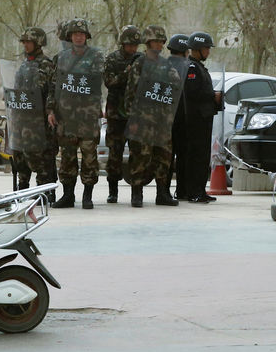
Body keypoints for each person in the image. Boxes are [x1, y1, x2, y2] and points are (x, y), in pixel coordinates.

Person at [48, 18, 104, 209]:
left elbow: (97, 81)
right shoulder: (61, 58)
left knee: (89, 156)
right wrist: (51, 109)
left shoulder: (96, 56)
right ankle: (68, 195)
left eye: (81, 34)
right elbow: (54, 85)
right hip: (66, 116)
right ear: (70, 37)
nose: (78, 37)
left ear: (86, 37)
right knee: (67, 157)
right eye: (75, 34)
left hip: (87, 116)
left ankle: (87, 195)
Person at [123, 25, 181, 208]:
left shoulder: (166, 64)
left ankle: (162, 193)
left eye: (161, 42)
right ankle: (136, 193)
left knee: (163, 158)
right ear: (147, 43)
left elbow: (175, 86)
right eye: (155, 41)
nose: (158, 45)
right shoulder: (139, 64)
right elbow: (130, 93)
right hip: (142, 121)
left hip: (162, 121)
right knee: (140, 157)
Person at [7, 27, 57, 202]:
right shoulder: (23, 65)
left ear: (38, 43)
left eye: (29, 42)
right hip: (21, 119)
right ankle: (22, 192)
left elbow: (52, 90)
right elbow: (16, 88)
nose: (26, 45)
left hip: (38, 121)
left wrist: (50, 111)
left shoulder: (47, 65)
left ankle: (44, 193)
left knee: (39, 157)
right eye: (24, 42)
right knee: (20, 156)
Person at [102, 25, 142, 203]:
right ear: (122, 44)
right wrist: (128, 73)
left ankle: (136, 192)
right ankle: (113, 190)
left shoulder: (142, 59)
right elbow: (109, 82)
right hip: (116, 114)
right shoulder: (112, 59)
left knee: (137, 153)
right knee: (114, 153)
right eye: (129, 45)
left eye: (135, 45)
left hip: (135, 114)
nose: (132, 49)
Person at [184, 31, 223, 203]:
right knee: (196, 157)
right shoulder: (191, 67)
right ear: (198, 49)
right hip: (196, 120)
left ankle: (200, 189)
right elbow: (192, 92)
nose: (208, 52)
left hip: (204, 118)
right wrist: (212, 96)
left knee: (202, 156)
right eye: (206, 48)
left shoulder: (199, 67)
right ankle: (194, 191)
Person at [166, 34, 190, 200]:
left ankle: (164, 190)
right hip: (182, 118)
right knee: (183, 156)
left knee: (166, 157)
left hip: (165, 119)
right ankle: (181, 190)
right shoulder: (188, 66)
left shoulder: (163, 65)